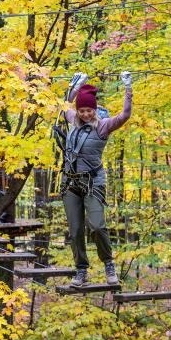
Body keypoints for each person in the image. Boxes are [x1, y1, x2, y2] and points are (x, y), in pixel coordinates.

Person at [61, 71, 133, 287]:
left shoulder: (103, 126)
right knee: (75, 230)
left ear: (95, 109)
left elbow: (125, 115)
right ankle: (81, 271)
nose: (84, 114)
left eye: (89, 110)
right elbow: (64, 105)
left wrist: (128, 88)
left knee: (97, 226)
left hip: (93, 182)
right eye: (82, 110)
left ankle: (108, 264)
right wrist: (76, 86)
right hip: (71, 183)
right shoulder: (73, 119)